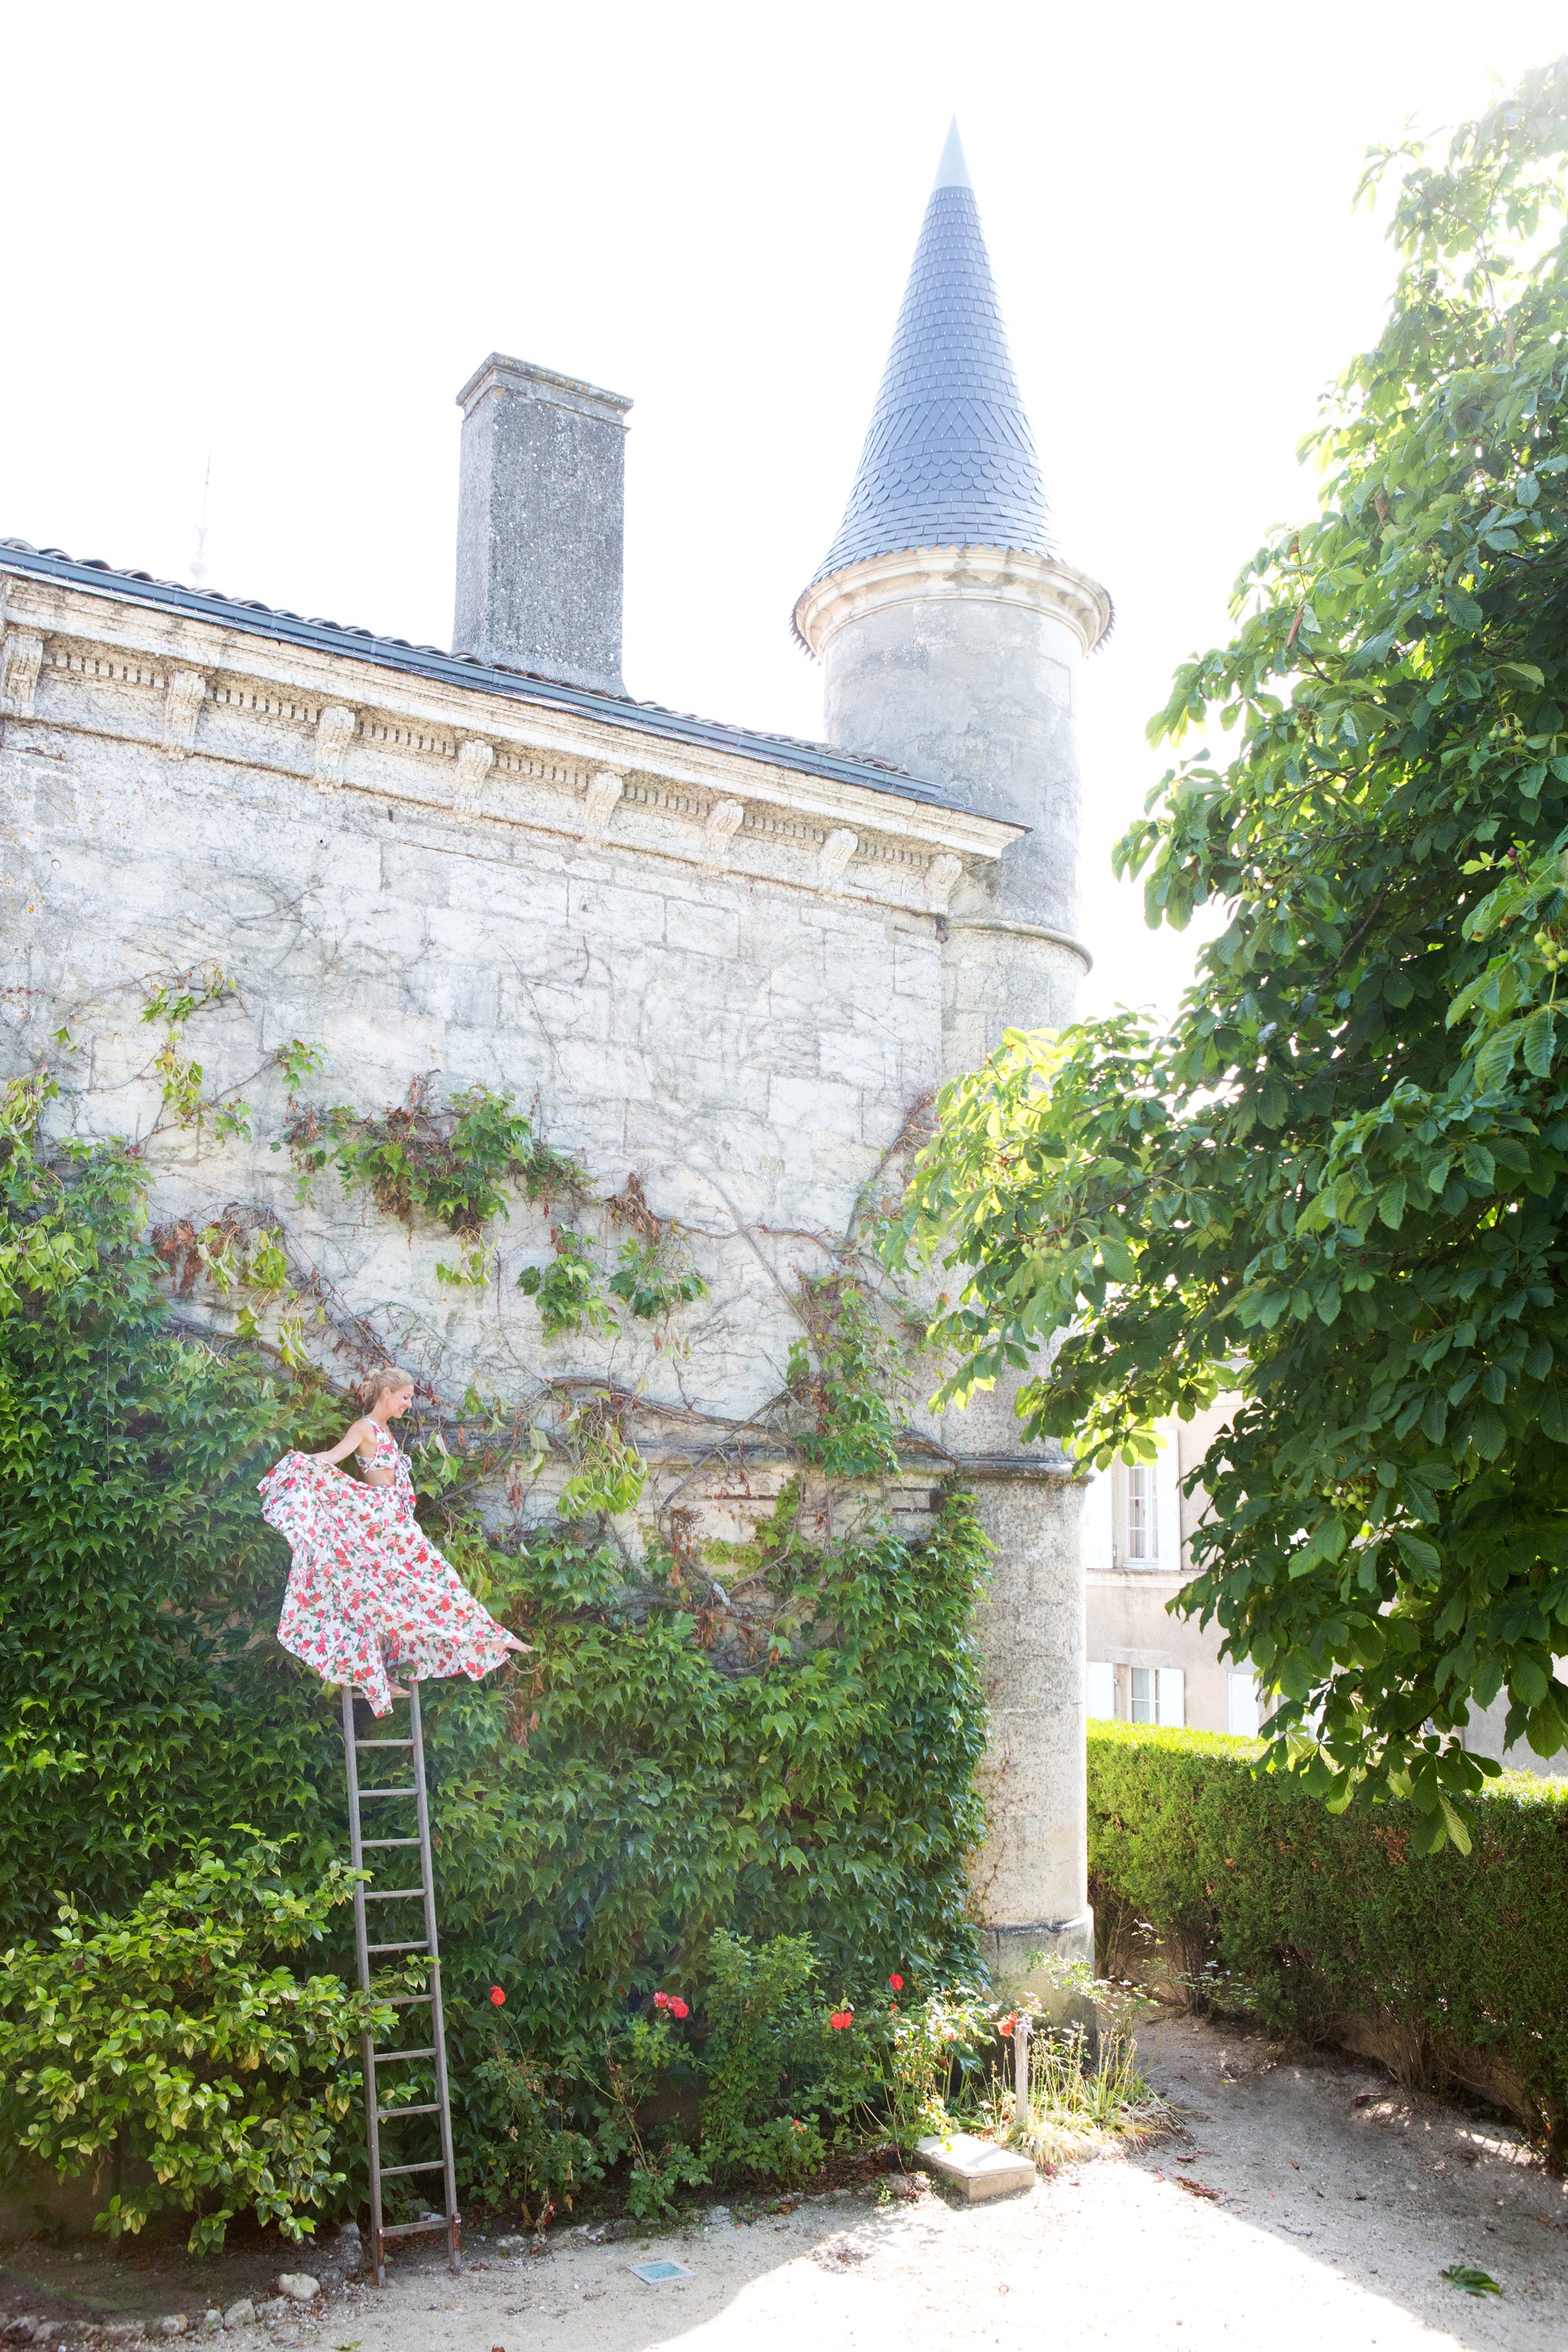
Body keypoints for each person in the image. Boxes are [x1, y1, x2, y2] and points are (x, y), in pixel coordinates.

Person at [261, 1365, 528, 1716]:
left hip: (395, 1522)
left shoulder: (387, 1431)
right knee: (393, 1593)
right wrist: (299, 1462)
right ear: (386, 1394)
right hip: (377, 1524)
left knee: (432, 1580)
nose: (408, 1404)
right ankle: (386, 1674)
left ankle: (488, 1634)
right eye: (405, 1397)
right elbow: (333, 1459)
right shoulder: (364, 1428)